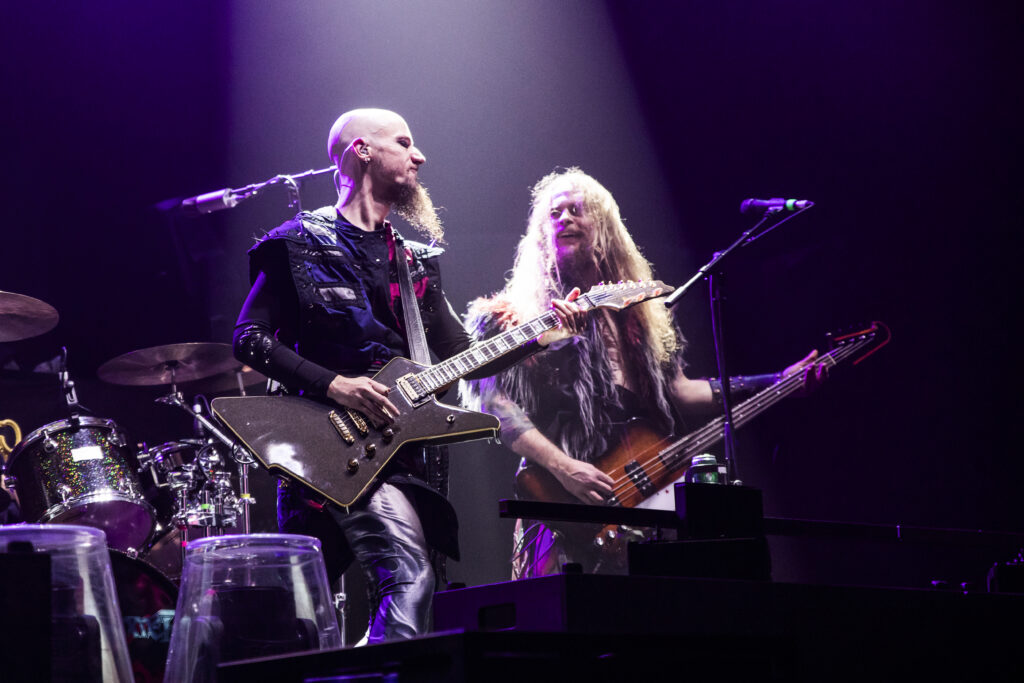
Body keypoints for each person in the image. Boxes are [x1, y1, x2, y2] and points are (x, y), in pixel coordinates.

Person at [232, 109, 582, 643]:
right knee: (381, 587)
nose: (419, 156)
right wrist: (334, 384)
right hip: (321, 447)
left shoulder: (413, 261)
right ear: (361, 151)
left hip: (395, 454)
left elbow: (462, 355)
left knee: (341, 606)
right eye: (404, 142)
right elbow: (249, 339)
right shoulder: (298, 243)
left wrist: (543, 332)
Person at [461, 168, 824, 579]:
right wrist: (565, 467)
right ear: (541, 235)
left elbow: (679, 392)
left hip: (641, 498)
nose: (564, 219)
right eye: (554, 213)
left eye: (576, 210)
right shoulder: (510, 320)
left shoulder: (640, 316)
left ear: (603, 226)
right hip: (562, 505)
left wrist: (778, 382)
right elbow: (496, 408)